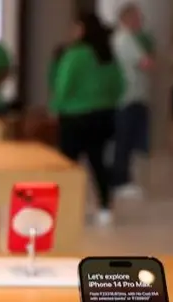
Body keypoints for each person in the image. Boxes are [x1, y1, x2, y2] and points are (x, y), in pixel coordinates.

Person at [52, 12, 124, 226]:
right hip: (103, 115)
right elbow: (120, 86)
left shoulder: (75, 55)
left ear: (83, 30)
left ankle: (65, 207)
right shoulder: (107, 55)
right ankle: (105, 207)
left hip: (75, 116)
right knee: (98, 162)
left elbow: (63, 86)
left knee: (68, 164)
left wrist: (55, 107)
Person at [111, 3, 154, 199]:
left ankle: (122, 178)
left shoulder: (122, 39)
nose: (141, 22)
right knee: (124, 141)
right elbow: (145, 63)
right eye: (138, 18)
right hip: (129, 97)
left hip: (128, 96)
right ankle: (120, 180)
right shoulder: (125, 39)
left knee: (125, 141)